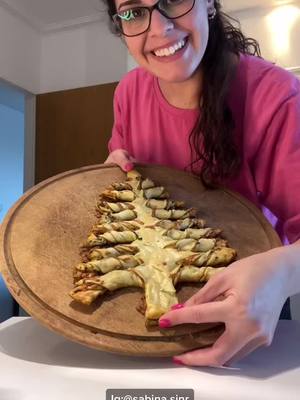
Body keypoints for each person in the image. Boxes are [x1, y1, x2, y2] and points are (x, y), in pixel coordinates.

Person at [103, 0, 300, 366]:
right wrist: (116, 170)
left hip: (247, 317)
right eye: (134, 11)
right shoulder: (128, 93)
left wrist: (284, 272)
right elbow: (123, 167)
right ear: (120, 25)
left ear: (209, 3)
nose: (159, 29)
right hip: (140, 321)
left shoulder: (276, 97)